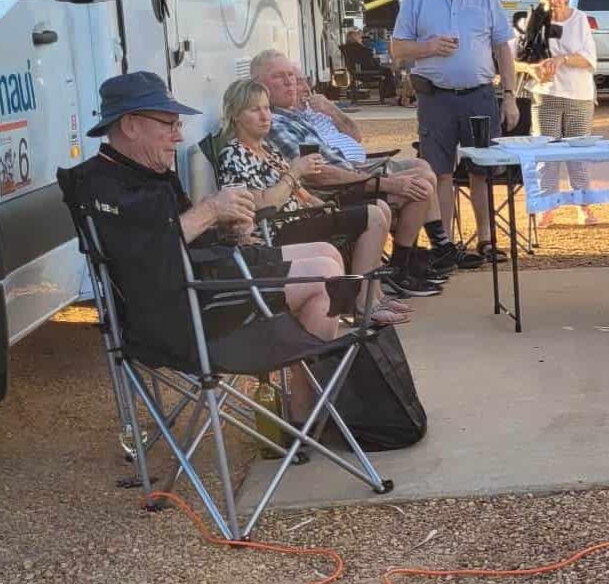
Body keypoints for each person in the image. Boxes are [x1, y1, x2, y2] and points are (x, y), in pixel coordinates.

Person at [65, 71, 343, 412]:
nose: (178, 136)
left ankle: (307, 403)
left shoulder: (147, 174)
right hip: (184, 315)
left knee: (327, 255)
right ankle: (305, 418)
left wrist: (227, 229)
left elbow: (179, 235)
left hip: (203, 281)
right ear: (131, 125)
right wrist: (211, 209)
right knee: (324, 280)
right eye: (169, 124)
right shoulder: (106, 187)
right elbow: (144, 257)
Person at [250, 50, 449, 296]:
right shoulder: (276, 124)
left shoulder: (294, 116)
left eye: (292, 75)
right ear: (258, 86)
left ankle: (410, 262)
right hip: (332, 191)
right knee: (420, 186)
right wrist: (383, 183)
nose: (291, 81)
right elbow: (318, 176)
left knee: (420, 174)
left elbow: (349, 139)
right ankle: (403, 267)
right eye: (279, 76)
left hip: (349, 173)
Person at [214, 80, 410, 323]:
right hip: (274, 230)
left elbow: (300, 194)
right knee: (372, 216)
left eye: (266, 108)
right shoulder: (234, 155)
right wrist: (295, 172)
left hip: (299, 218)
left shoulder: (268, 150)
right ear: (235, 115)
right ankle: (362, 305)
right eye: (255, 110)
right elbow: (263, 205)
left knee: (377, 208)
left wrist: (322, 204)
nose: (266, 116)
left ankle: (374, 295)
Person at [390, 0, 520, 266]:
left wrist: (509, 96)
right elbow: (397, 49)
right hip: (436, 100)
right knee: (439, 173)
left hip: (479, 96)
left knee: (482, 171)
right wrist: (428, 47)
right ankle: (444, 246)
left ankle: (487, 240)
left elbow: (503, 50)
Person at [515, 0, 599, 226]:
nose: (555, 0)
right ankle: (546, 206)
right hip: (545, 95)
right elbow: (512, 59)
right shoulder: (531, 21)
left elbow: (588, 59)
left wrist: (561, 59)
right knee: (545, 154)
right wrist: (533, 69)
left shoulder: (580, 19)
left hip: (578, 96)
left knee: (578, 153)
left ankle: (583, 206)